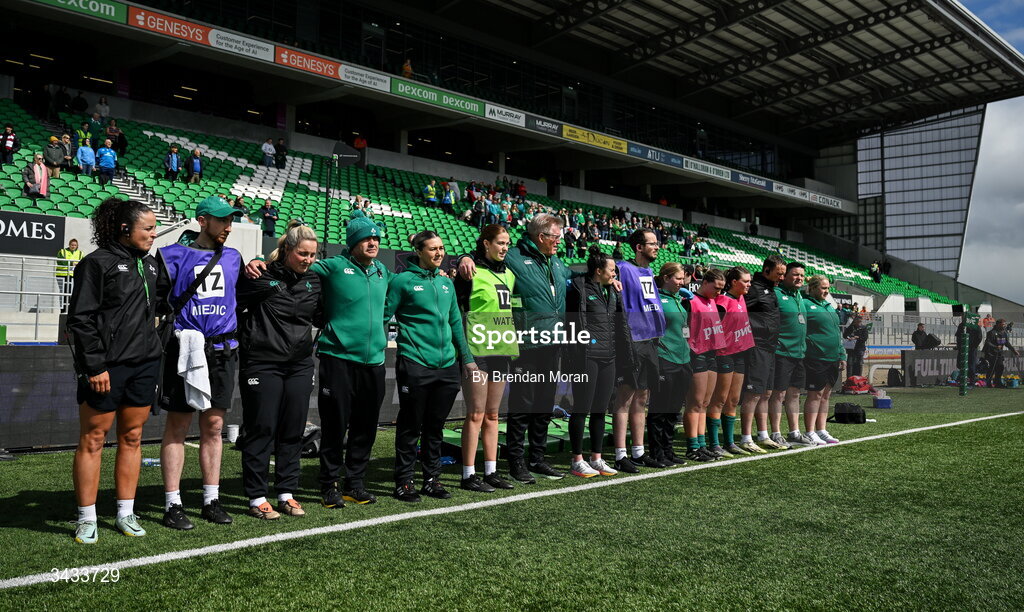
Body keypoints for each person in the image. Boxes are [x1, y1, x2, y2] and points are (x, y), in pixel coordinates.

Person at [66, 198, 160, 544]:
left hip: (145, 365)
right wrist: (95, 366)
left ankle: (125, 512)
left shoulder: (150, 266)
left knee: (132, 438)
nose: (154, 234)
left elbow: (163, 302)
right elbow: (80, 318)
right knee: (92, 440)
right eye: (147, 229)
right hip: (106, 369)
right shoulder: (96, 263)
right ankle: (86, 517)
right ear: (125, 229)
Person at [457, 213, 574, 483]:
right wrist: (464, 257)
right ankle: (515, 461)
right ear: (542, 236)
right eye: (556, 236)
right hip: (525, 344)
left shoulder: (556, 262)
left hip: (552, 341)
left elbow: (573, 279)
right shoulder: (514, 257)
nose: (560, 241)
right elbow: (482, 255)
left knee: (545, 402)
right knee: (523, 404)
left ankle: (538, 458)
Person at [155, 197, 245, 530]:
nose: (228, 227)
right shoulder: (173, 255)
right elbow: (157, 303)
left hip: (222, 351)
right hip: (185, 349)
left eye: (231, 221)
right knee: (177, 426)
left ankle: (211, 499)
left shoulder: (235, 258)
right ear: (203, 220)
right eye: (222, 220)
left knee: (214, 428)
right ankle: (172, 503)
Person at [236, 222, 323, 520]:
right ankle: (257, 497)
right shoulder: (260, 276)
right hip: (261, 363)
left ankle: (286, 493)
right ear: (287, 250)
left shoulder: (315, 282)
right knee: (262, 429)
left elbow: (322, 316)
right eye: (302, 254)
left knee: (292, 430)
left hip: (299, 365)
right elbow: (233, 307)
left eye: (313, 255)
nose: (308, 260)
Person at [386, 231, 475, 502]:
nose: (439, 253)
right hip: (415, 362)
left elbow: (456, 323)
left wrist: (467, 358)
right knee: (411, 425)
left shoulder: (447, 284)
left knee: (436, 426)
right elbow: (383, 315)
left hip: (447, 365)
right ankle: (404, 481)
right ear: (419, 251)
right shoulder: (402, 281)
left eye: (442, 248)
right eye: (433, 249)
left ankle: (432, 479)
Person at [455, 225, 518, 492]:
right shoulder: (469, 272)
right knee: (476, 414)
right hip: (477, 351)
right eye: (500, 243)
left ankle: (491, 471)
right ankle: (468, 474)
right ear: (486, 244)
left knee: (493, 415)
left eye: (507, 243)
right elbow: (457, 312)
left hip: (501, 351)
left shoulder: (511, 275)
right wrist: (462, 258)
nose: (504, 247)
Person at [564, 246, 631, 477]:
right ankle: (576, 459)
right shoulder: (579, 288)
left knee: (601, 410)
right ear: (599, 270)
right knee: (581, 408)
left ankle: (597, 458)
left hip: (608, 357)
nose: (615, 274)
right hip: (586, 357)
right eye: (612, 270)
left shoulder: (612, 291)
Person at [611, 229, 667, 471]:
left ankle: (638, 451)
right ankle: (620, 454)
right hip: (631, 339)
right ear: (638, 247)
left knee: (642, 397)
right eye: (652, 243)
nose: (657, 247)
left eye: (657, 243)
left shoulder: (647, 271)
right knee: (625, 396)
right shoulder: (623, 268)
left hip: (649, 339)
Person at [647, 262, 694, 465]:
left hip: (684, 360)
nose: (681, 282)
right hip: (665, 359)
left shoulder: (680, 300)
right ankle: (656, 452)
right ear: (666, 278)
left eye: (683, 278)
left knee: (674, 410)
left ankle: (668, 450)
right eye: (677, 278)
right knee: (659, 409)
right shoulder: (657, 299)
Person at [707, 266, 755, 457]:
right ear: (734, 282)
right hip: (724, 354)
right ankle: (714, 443)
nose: (749, 284)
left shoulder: (742, 298)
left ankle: (729, 442)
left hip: (740, 354)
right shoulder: (721, 301)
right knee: (719, 399)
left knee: (733, 400)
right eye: (745, 281)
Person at [682, 268, 727, 461]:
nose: (719, 292)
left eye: (722, 289)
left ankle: (701, 444)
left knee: (705, 403)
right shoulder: (690, 302)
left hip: (711, 354)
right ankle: (692, 446)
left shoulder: (714, 303)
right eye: (716, 288)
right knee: (695, 402)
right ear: (705, 283)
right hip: (696, 354)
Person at [768, 261, 813, 448]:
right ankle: (775, 432)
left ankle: (794, 431)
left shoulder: (800, 296)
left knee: (795, 394)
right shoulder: (776, 294)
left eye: (801, 276)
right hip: (781, 353)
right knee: (778, 394)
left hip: (799, 353)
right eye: (795, 275)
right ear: (784, 276)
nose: (799, 278)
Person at [803, 275, 844, 445]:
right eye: (823, 288)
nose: (826, 291)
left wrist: (842, 354)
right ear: (812, 288)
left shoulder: (829, 306)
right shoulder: (804, 304)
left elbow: (836, 332)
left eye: (828, 288)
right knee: (815, 394)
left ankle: (821, 430)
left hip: (832, 357)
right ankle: (810, 431)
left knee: (826, 395)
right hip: (816, 357)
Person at [984, 319, 1019, 388]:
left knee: (1000, 367)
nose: (1004, 325)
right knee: (992, 368)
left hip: (999, 353)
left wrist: (1014, 350)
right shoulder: (991, 332)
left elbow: (1006, 343)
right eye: (1003, 324)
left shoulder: (1004, 333)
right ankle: (988, 383)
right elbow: (987, 342)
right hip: (991, 353)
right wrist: (995, 347)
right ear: (998, 324)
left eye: (1004, 324)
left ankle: (998, 383)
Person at [56, 238, 84, 311]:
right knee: (64, 292)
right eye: (72, 245)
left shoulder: (80, 253)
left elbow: (84, 263)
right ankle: (64, 309)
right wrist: (72, 263)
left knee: (72, 292)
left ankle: (70, 309)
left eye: (75, 245)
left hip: (74, 275)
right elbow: (60, 262)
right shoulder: (62, 251)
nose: (73, 246)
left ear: (77, 246)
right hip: (62, 274)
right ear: (69, 245)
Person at [955, 315, 984, 383]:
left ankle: (972, 381)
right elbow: (958, 336)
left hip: (972, 349)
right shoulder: (961, 325)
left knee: (971, 365)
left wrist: (973, 346)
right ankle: (963, 379)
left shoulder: (976, 326)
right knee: (960, 364)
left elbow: (979, 338)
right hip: (962, 348)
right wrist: (959, 346)